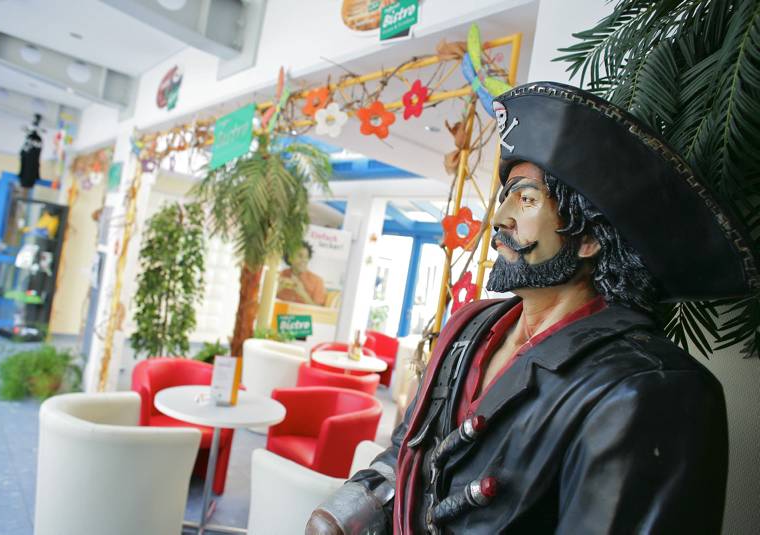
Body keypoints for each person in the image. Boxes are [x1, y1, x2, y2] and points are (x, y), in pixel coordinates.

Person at [306, 82, 759, 534]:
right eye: (506, 196)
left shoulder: (649, 390)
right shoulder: (469, 327)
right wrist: (353, 507)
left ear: (589, 236)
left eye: (525, 199)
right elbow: (409, 451)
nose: (500, 217)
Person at [277, 242, 328, 306]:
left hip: (304, 312)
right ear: (290, 258)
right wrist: (277, 288)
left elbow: (318, 310)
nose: (304, 260)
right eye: (300, 256)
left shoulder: (317, 281)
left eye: (306, 257)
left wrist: (303, 293)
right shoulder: (279, 276)